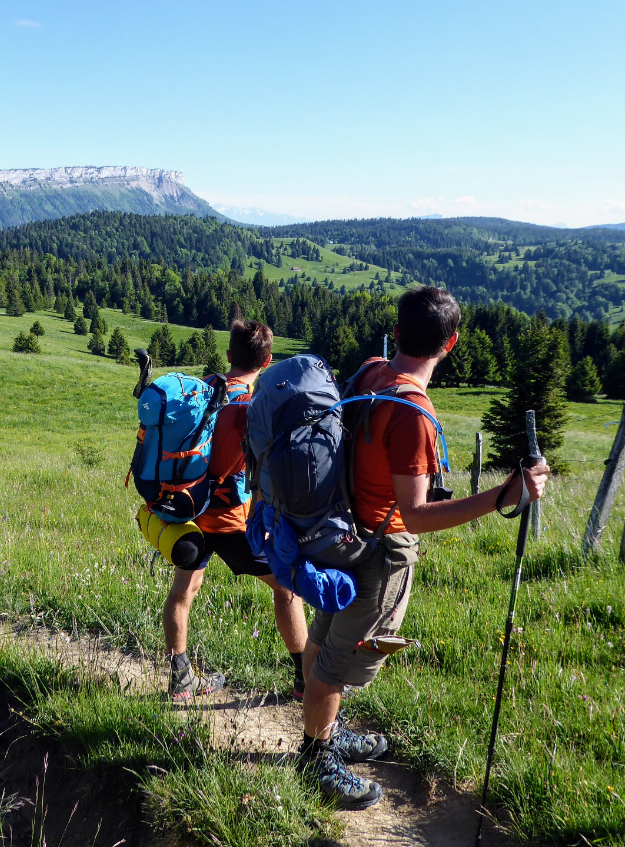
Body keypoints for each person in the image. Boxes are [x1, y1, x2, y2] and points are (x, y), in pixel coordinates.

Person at [297, 286, 549, 809]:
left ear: (401, 327)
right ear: (450, 343)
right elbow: (415, 514)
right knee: (340, 662)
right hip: (381, 550)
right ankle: (315, 758)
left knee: (323, 640)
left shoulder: (370, 373)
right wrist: (506, 495)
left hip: (342, 534)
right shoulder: (412, 412)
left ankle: (326, 732)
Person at [165, 319, 309, 702]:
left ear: (228, 355)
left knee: (183, 592)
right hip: (232, 521)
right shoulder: (253, 406)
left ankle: (180, 683)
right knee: (286, 587)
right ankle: (304, 679)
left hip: (188, 513)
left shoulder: (204, 387)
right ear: (267, 360)